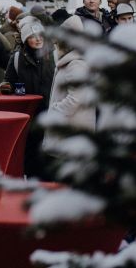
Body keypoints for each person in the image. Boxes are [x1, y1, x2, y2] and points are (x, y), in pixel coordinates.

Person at [42, 15, 95, 173]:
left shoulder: (76, 64)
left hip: (71, 130)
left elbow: (76, 98)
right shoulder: (70, 61)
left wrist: (55, 111)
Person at [4, 18, 54, 177]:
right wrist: (8, 87)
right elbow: (9, 80)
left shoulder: (54, 56)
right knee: (31, 150)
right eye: (33, 36)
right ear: (26, 39)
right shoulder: (18, 58)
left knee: (49, 150)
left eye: (40, 35)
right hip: (29, 113)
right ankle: (32, 179)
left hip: (51, 111)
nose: (38, 39)